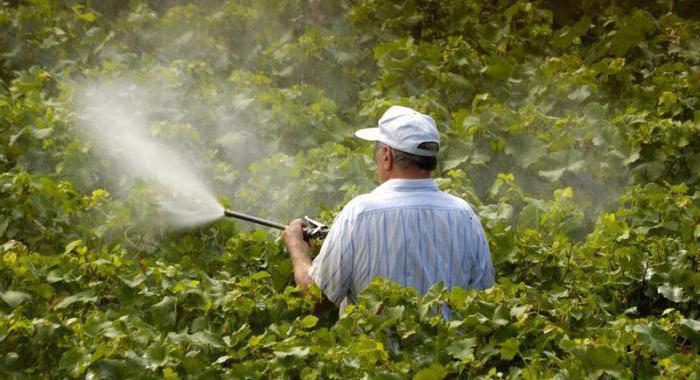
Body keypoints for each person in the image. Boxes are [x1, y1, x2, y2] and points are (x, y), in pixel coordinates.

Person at [282, 105, 495, 316]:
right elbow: (485, 303)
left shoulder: (359, 213)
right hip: (445, 350)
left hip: (374, 351)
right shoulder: (464, 214)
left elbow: (316, 300)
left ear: (387, 155)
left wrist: (297, 248)